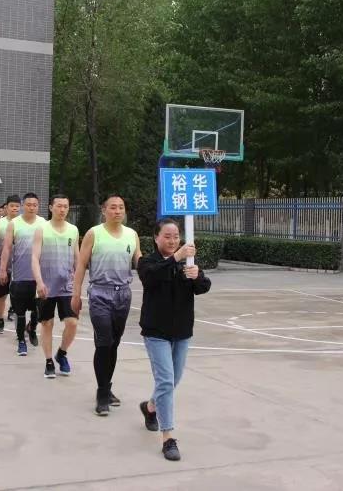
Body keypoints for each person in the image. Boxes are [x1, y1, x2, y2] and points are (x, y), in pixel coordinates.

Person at [137, 219, 211, 461]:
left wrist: (197, 276)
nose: (172, 241)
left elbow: (203, 287)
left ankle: (150, 407)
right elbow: (151, 278)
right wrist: (176, 257)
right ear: (156, 237)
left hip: (182, 331)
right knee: (166, 381)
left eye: (176, 236)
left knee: (173, 379)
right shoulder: (148, 262)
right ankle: (168, 437)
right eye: (167, 236)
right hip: (156, 332)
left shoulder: (187, 263)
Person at [72, 194, 141, 416]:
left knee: (113, 344)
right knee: (103, 342)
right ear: (104, 210)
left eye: (121, 207)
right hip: (100, 293)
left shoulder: (132, 235)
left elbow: (140, 262)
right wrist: (76, 295)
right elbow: (81, 265)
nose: (117, 211)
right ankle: (102, 394)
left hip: (123, 295)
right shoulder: (94, 233)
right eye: (113, 207)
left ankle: (107, 386)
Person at [32, 194, 79, 378]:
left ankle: (62, 353)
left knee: (72, 323)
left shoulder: (73, 230)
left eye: (65, 206)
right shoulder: (42, 229)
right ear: (51, 207)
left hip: (67, 285)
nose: (62, 209)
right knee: (47, 324)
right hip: (46, 286)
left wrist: (78, 283)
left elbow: (77, 257)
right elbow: (34, 258)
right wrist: (39, 282)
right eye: (59, 206)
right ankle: (49, 361)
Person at [0, 192, 46, 356]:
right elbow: (6, 248)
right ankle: (21, 341)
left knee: (38, 312)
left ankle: (32, 328)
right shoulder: (14, 224)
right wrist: (3, 269)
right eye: (28, 205)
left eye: (35, 205)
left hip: (39, 277)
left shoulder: (43, 223)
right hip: (19, 276)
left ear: (38, 206)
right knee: (20, 313)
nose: (31, 207)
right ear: (23, 206)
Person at [0, 195, 21, 334]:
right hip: (2, 266)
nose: (15, 208)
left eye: (17, 206)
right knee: (1, 296)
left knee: (18, 296)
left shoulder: (22, 223)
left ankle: (18, 322)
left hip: (19, 267)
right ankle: (0, 319)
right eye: (12, 206)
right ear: (6, 207)